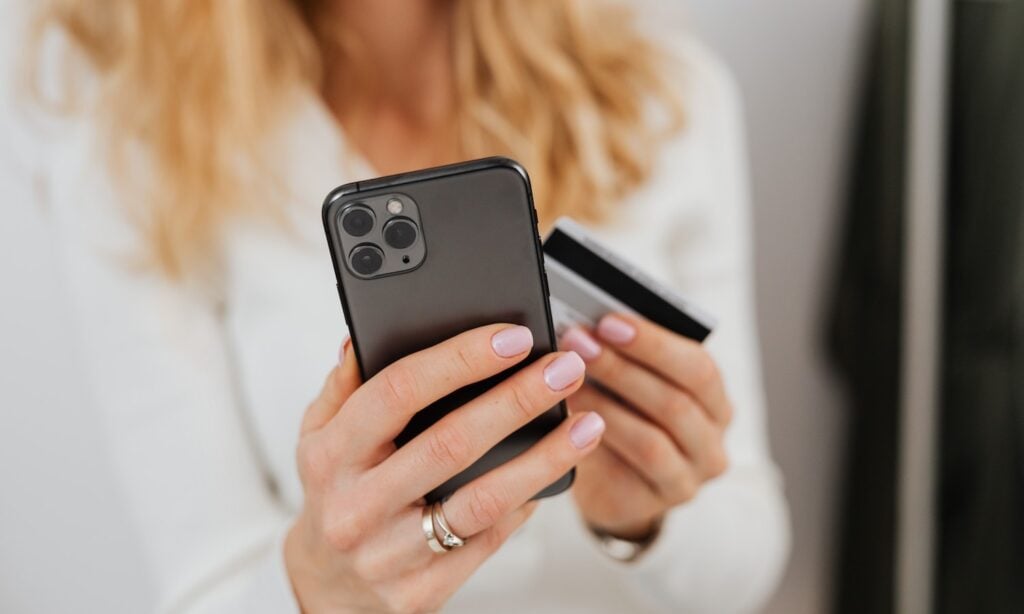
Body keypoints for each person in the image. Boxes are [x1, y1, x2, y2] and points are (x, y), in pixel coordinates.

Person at [31, 0, 789, 611]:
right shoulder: (134, 146)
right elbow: (204, 587)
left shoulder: (668, 98)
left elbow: (746, 569)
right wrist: (318, 588)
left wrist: (646, 519)